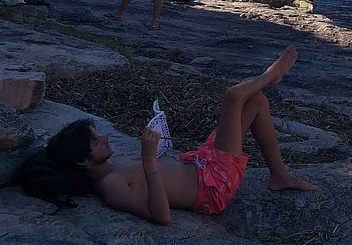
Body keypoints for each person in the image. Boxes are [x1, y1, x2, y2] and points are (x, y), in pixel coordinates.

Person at [43, 46, 315, 223]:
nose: (104, 138)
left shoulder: (112, 166)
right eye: (95, 141)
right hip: (211, 188)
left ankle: (279, 175)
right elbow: (161, 217)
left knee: (256, 102)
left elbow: (158, 174)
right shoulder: (109, 186)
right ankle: (272, 74)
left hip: (200, 165)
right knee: (234, 96)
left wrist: (158, 146)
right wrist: (149, 160)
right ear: (82, 160)